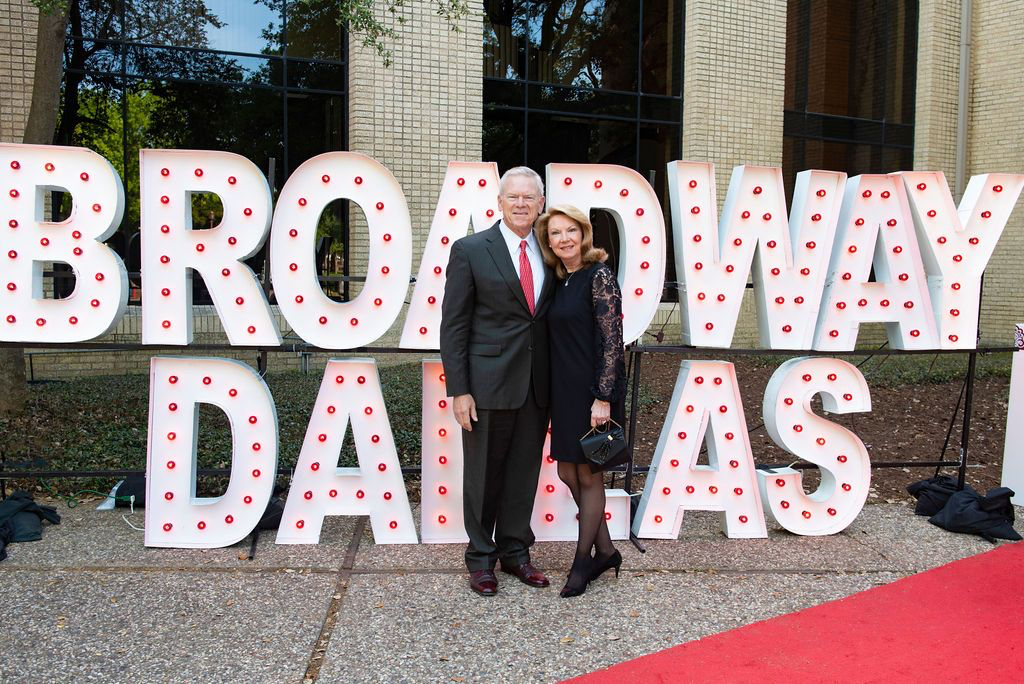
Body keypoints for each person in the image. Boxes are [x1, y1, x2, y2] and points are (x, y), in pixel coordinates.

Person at [440, 166, 555, 597]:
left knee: (523, 473)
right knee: (483, 476)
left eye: (530, 197)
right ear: (500, 202)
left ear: (541, 203)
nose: (522, 204)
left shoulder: (550, 251)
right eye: (514, 197)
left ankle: (515, 553)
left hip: (535, 384)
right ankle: (481, 559)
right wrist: (459, 389)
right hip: (486, 385)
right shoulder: (470, 249)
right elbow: (453, 325)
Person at [535, 205, 627, 598]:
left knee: (589, 475)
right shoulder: (560, 279)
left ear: (584, 234)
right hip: (564, 391)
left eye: (571, 230)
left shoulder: (598, 275)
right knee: (568, 474)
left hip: (592, 392)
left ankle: (582, 561)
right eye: (556, 233)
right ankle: (606, 550)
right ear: (549, 241)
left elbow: (612, 340)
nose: (564, 239)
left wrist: (603, 397)